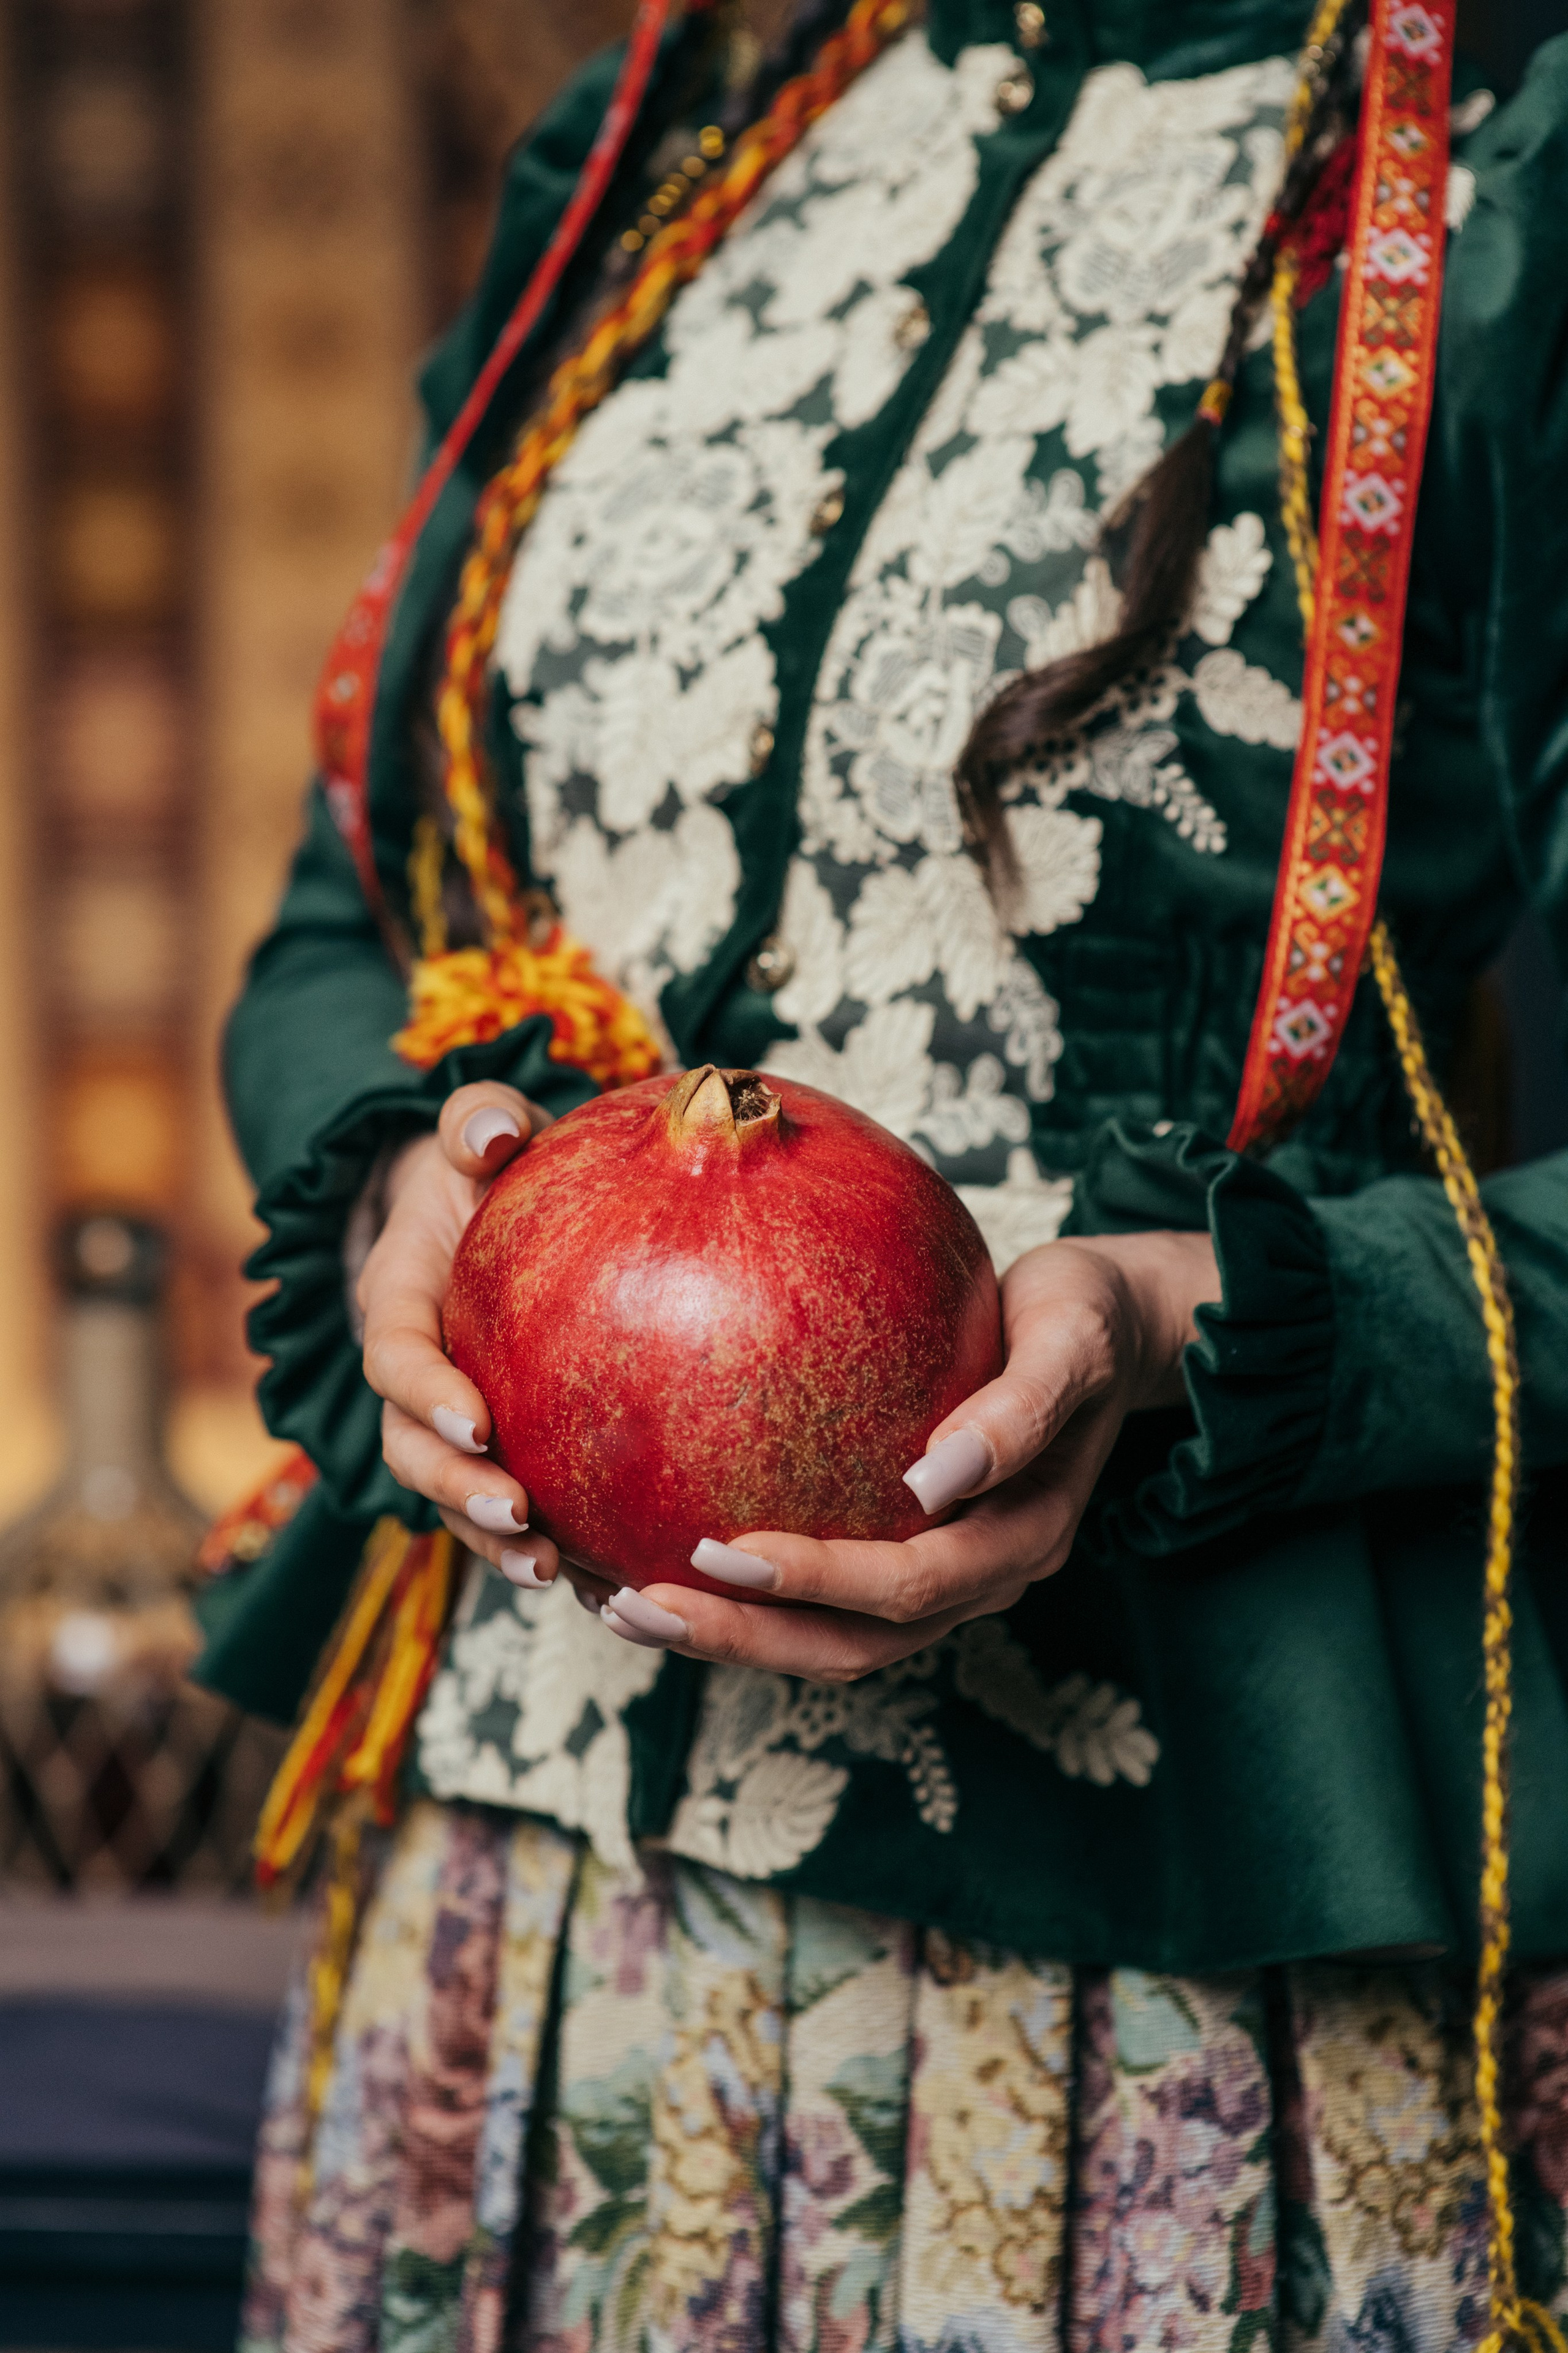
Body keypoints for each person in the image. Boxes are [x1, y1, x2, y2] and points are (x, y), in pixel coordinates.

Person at [205, 2, 1568, 2347]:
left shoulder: (1507, 184)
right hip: (524, 1923)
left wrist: (1191, 1317)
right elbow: (351, 910)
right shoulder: (687, 142)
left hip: (1175, 1958)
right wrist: (396, 1184)